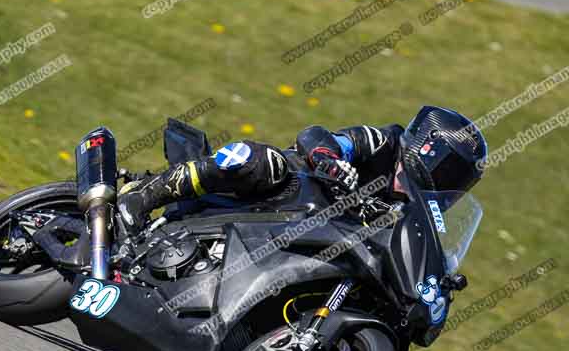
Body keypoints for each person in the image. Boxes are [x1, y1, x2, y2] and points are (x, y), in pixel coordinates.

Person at [117, 106, 488, 234]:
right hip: (286, 190)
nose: (451, 184)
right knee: (264, 162)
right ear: (431, 148)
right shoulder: (384, 143)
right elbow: (316, 135)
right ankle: (144, 195)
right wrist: (328, 159)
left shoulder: (413, 212)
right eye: (452, 171)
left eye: (459, 182)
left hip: (310, 238)